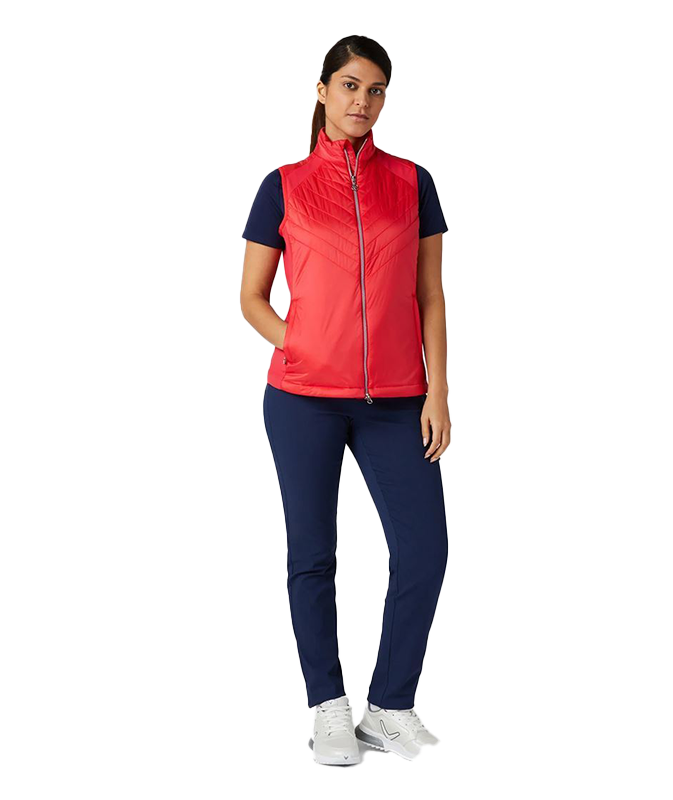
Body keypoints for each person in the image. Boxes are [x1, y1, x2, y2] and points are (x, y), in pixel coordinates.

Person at [240, 35, 453, 767]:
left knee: (424, 550)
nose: (363, 100)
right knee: (312, 555)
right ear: (323, 90)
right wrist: (302, 345)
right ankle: (327, 706)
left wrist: (438, 389)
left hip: (396, 399)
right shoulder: (284, 184)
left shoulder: (413, 181)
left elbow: (430, 293)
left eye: (377, 89)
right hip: (302, 400)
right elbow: (251, 297)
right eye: (351, 85)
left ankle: (389, 707)